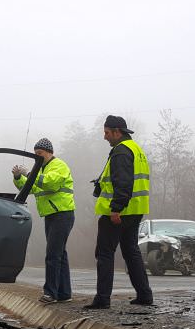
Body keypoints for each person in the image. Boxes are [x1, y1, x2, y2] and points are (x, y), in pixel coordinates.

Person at [84, 115, 153, 309]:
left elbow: (123, 182)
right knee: (131, 252)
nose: (105, 137)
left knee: (105, 253)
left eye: (107, 133)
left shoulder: (121, 152)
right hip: (136, 209)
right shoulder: (136, 149)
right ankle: (145, 295)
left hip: (118, 213)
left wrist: (116, 209)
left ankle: (102, 299)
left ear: (117, 132)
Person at [12, 138, 76, 304]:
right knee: (60, 254)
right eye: (36, 154)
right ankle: (64, 293)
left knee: (53, 254)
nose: (37, 157)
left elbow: (49, 183)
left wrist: (29, 173)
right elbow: (31, 187)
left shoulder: (58, 165)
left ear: (49, 152)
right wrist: (19, 177)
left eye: (40, 154)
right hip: (52, 214)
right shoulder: (42, 168)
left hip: (62, 213)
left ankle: (50, 294)